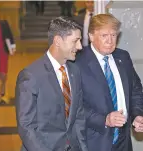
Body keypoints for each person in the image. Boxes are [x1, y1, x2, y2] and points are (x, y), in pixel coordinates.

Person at [75, 13, 143, 151]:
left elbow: (135, 90)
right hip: (94, 142)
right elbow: (74, 106)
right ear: (91, 36)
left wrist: (137, 115)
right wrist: (104, 120)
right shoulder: (78, 63)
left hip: (123, 141)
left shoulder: (123, 57)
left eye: (113, 35)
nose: (110, 41)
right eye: (104, 36)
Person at [15, 16, 88, 151]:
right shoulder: (31, 75)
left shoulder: (75, 71)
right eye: (75, 41)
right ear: (58, 41)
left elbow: (78, 117)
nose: (79, 46)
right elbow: (26, 127)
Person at [0, 6, 16, 106]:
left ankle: (2, 89)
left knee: (3, 75)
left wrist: (13, 47)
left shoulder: (4, 24)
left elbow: (10, 36)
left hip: (4, 53)